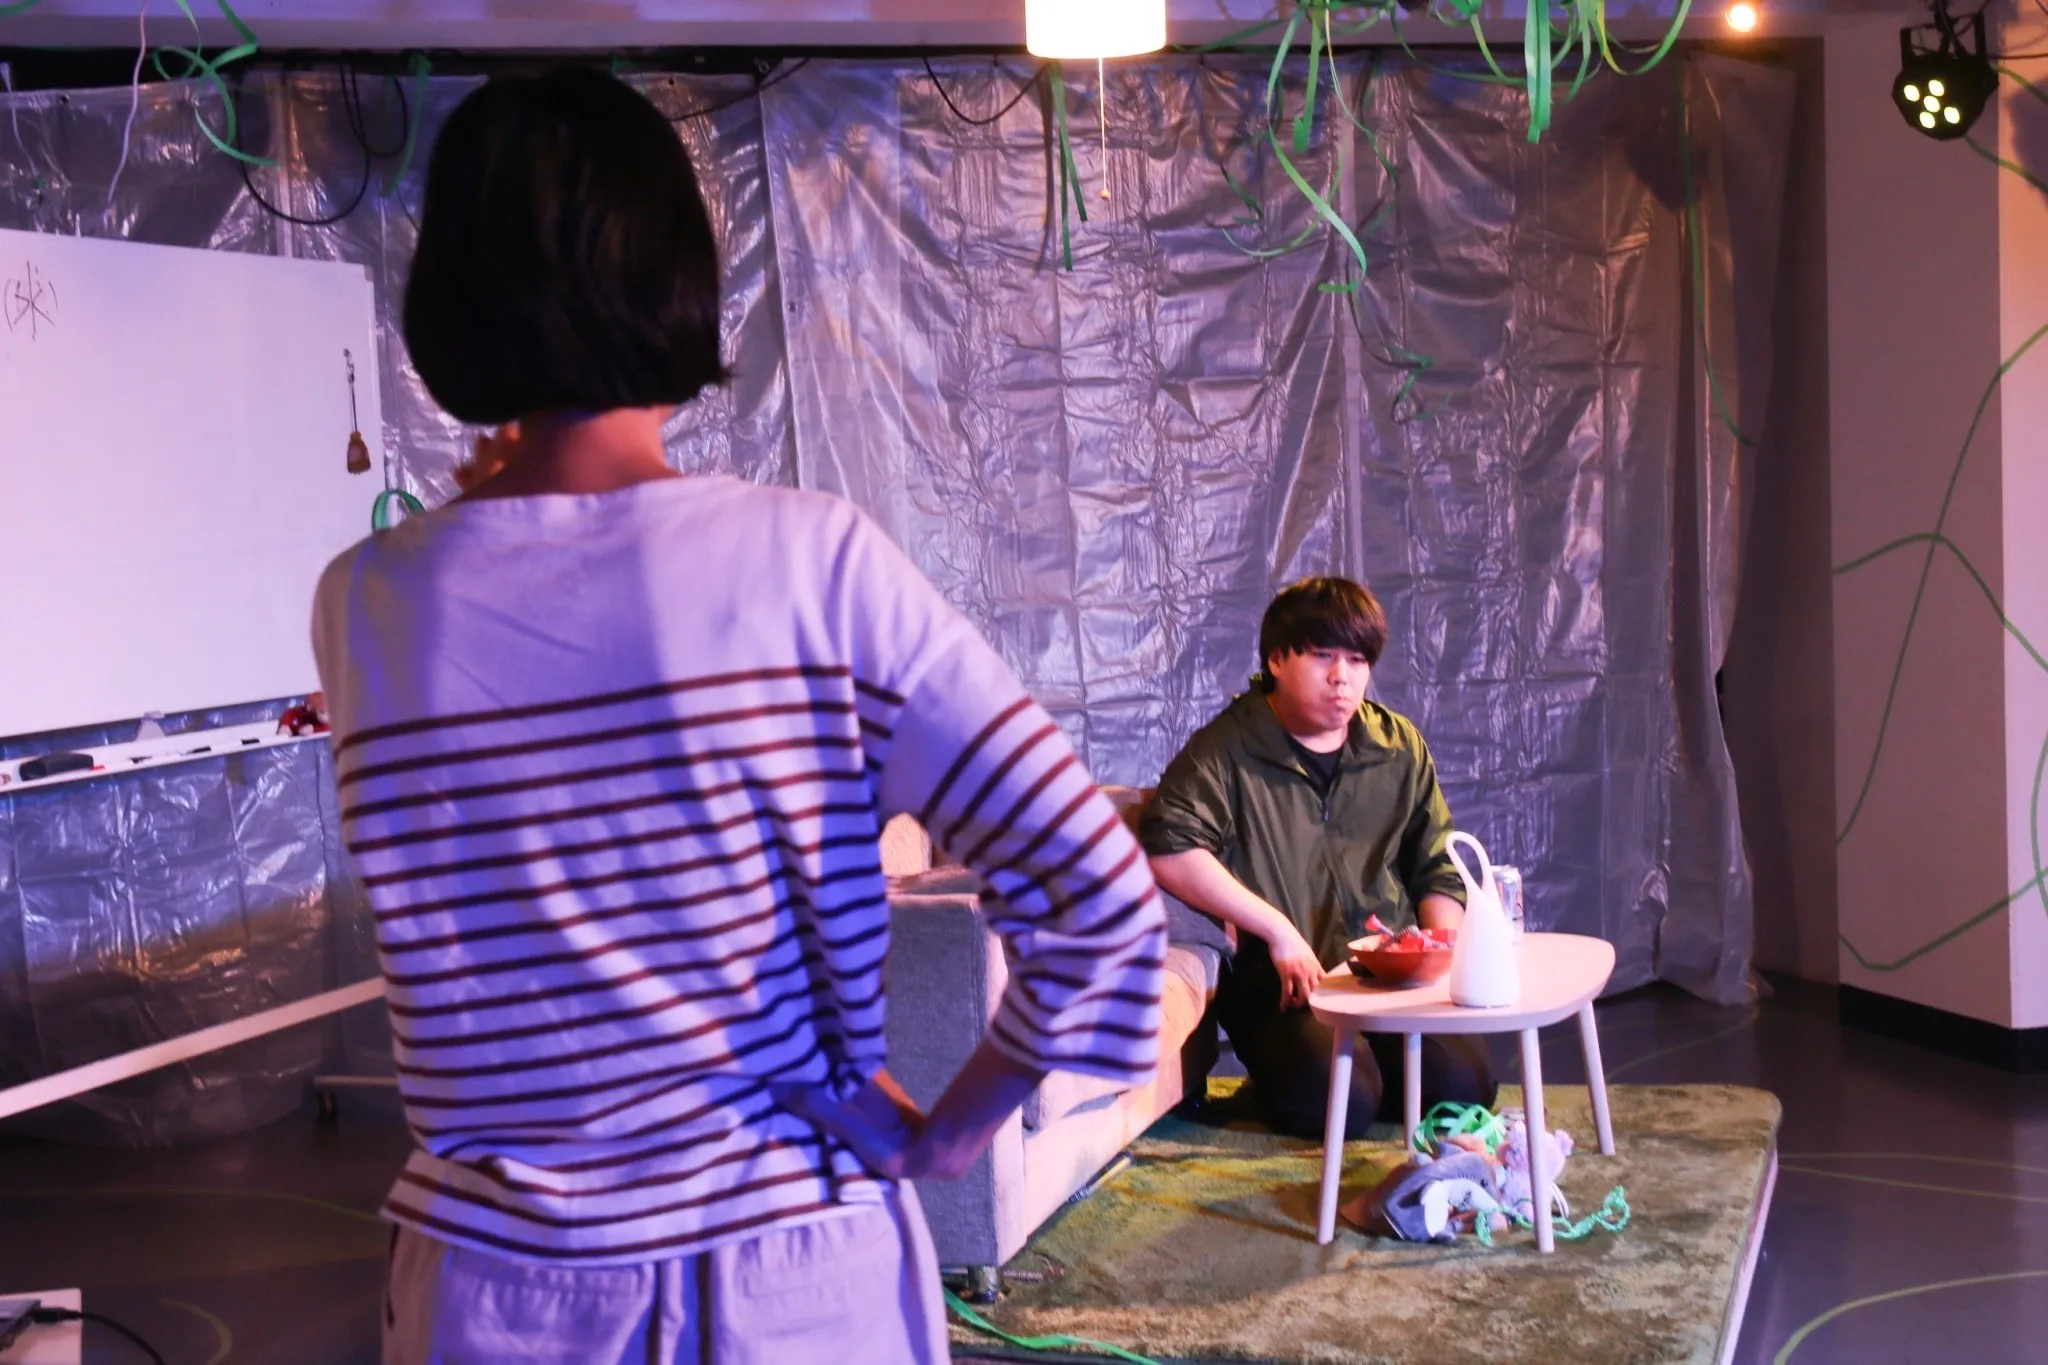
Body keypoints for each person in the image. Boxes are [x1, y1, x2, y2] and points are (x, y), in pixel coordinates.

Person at [312, 67, 1165, 1365]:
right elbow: (1097, 887)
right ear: (676, 275)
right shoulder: (808, 563)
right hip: (789, 1274)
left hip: (494, 1292)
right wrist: (951, 1134)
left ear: (452, 291)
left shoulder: (368, 600)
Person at [1139, 577, 1494, 1139]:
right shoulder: (1227, 748)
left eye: (1357, 660)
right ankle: (1323, 1073)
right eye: (1323, 656)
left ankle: (1373, 1067)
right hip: (1286, 983)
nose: (1341, 678)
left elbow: (1437, 863)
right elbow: (1169, 847)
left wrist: (1438, 952)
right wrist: (1277, 932)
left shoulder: (1397, 745)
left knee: (1465, 1089)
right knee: (1342, 1104)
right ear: (1277, 660)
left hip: (1388, 972)